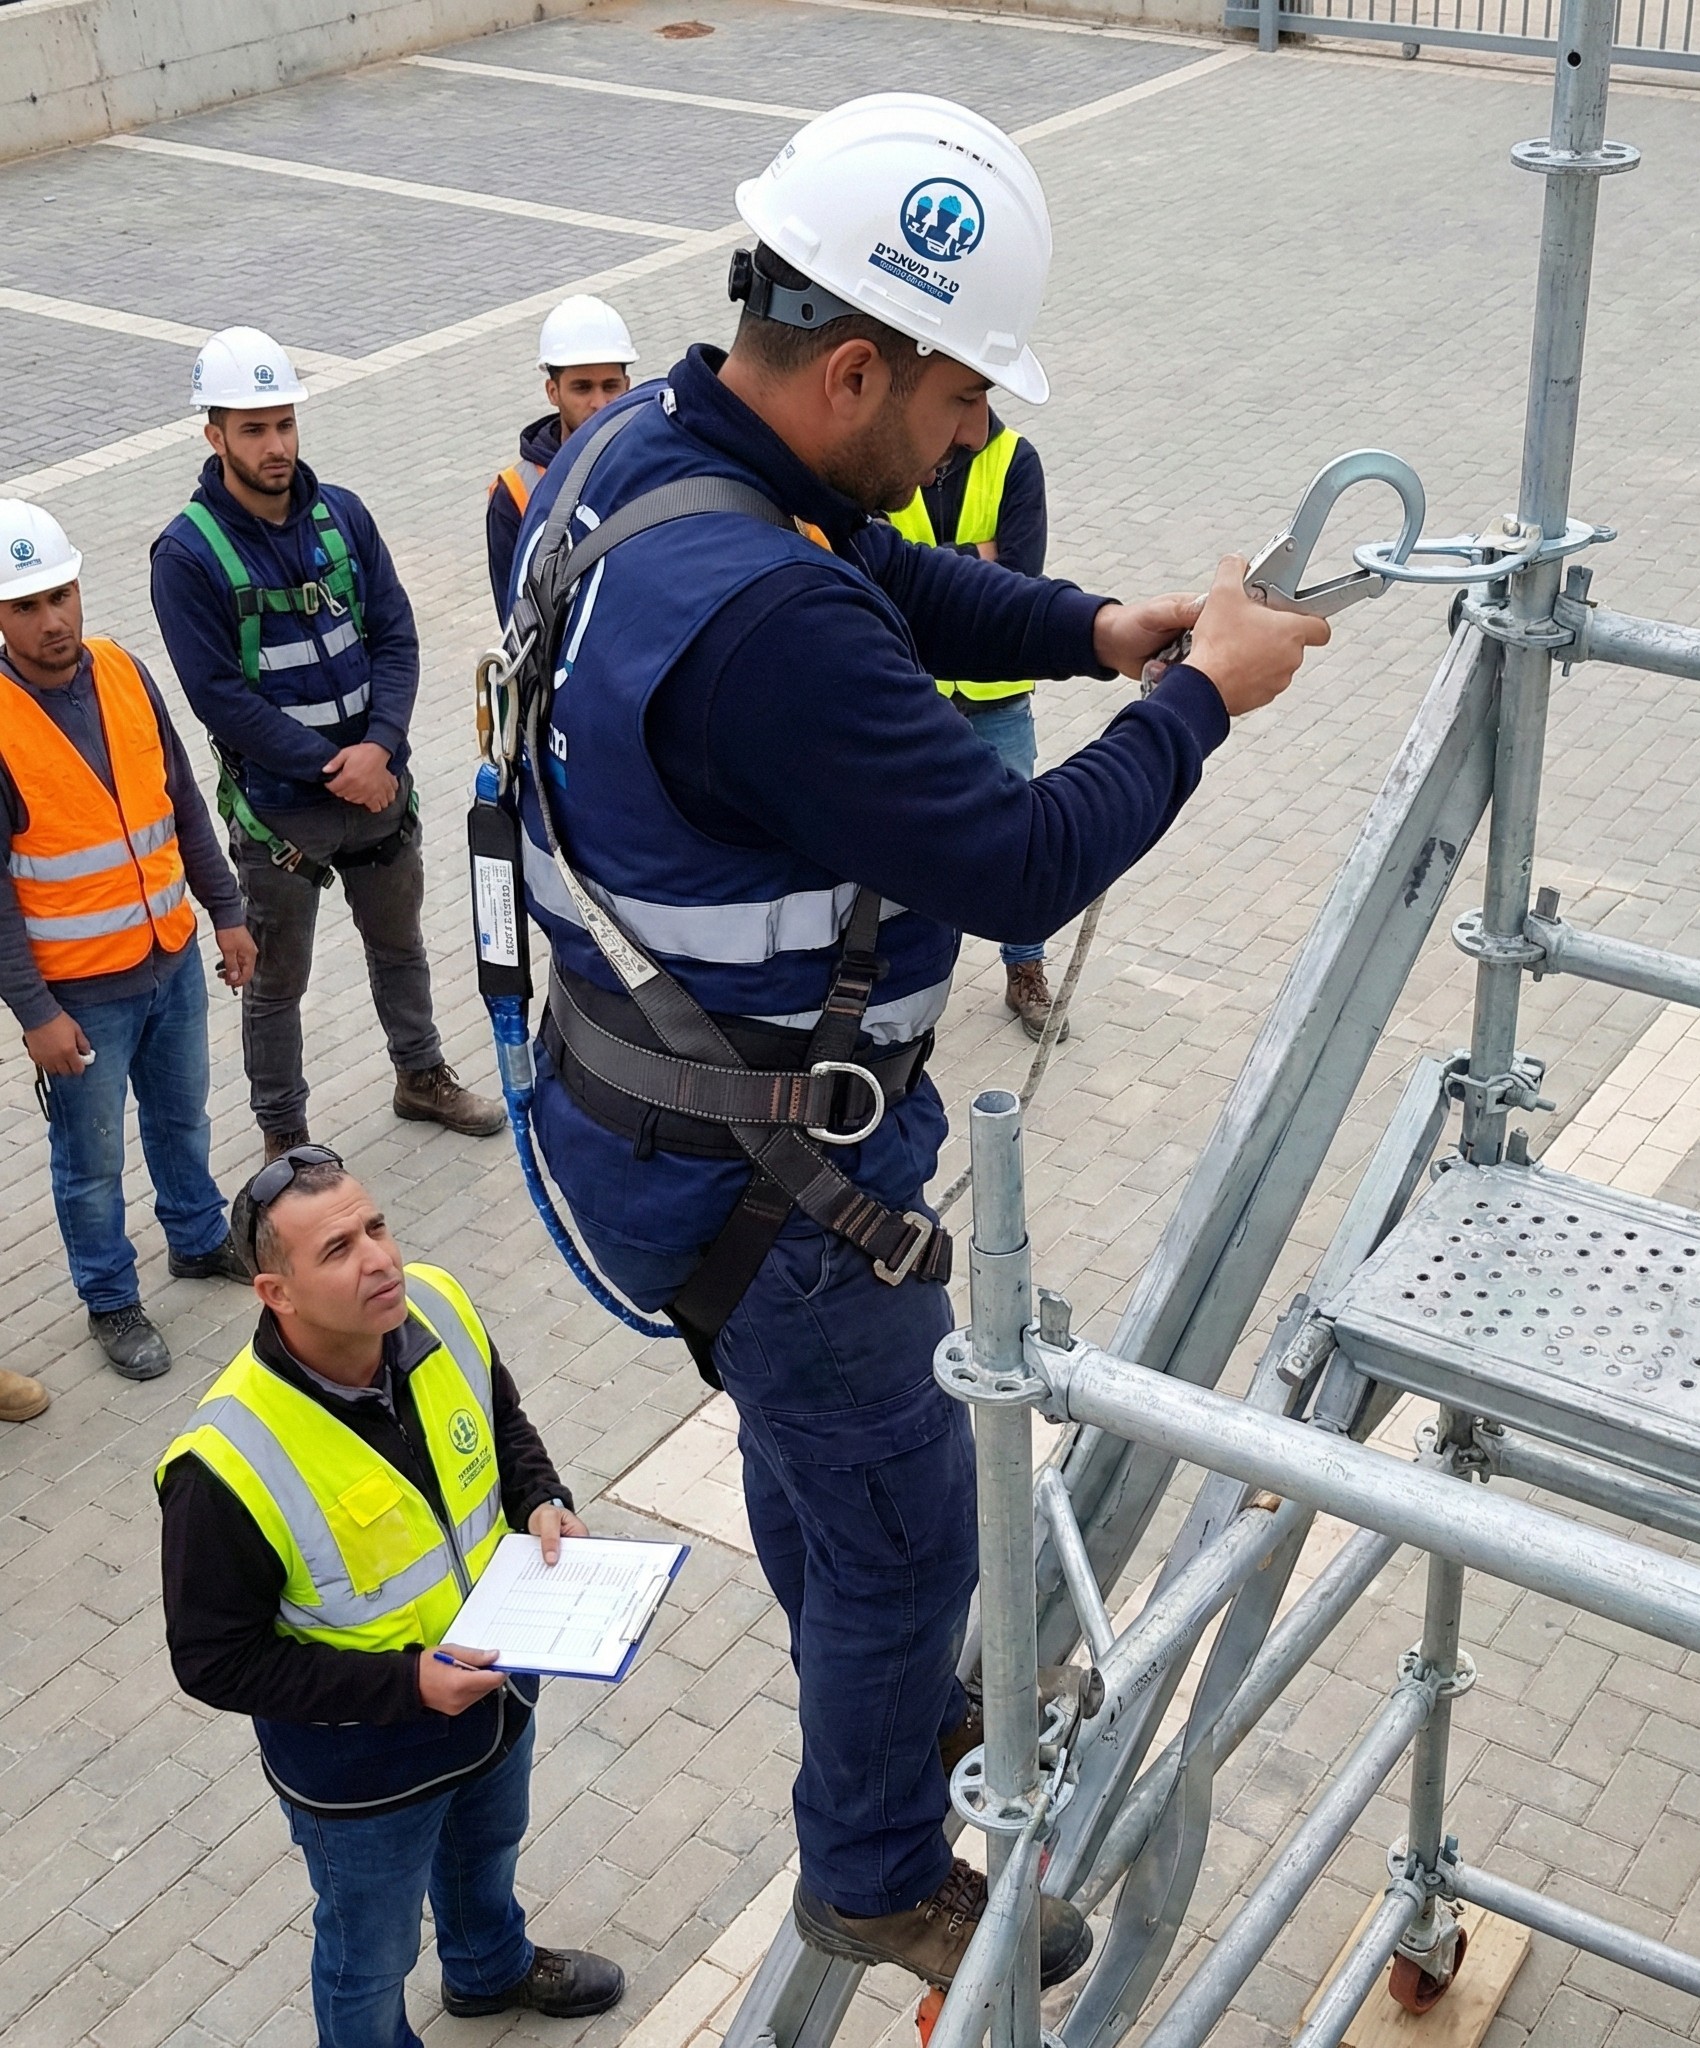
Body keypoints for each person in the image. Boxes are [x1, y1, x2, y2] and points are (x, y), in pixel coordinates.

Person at [503, 95, 1325, 1988]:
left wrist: (1099, 631)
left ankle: (870, 1695)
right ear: (856, 366)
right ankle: (871, 1865)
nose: (969, 440)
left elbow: (880, 572)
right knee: (901, 1538)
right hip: (778, 1177)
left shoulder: (644, 451)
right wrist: (1201, 701)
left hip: (652, 1116)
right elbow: (1019, 858)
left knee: (821, 1468)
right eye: (959, 401)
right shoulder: (767, 620)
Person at [156, 1147, 626, 2048]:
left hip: (495, 1697)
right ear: (275, 1294)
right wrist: (408, 1685)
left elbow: (500, 1421)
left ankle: (488, 1968)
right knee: (369, 1957)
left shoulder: (436, 1304)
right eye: (337, 1250)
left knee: (488, 1853)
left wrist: (541, 1498)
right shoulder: (224, 1463)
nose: (380, 1260)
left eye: (376, 1227)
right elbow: (213, 1661)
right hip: (363, 1771)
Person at [150, 327, 504, 1164]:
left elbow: (397, 636)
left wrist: (381, 747)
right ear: (214, 435)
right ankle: (284, 1136)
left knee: (401, 946)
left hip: (378, 791)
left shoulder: (341, 516)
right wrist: (330, 768)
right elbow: (219, 697)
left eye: (284, 424)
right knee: (277, 984)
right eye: (253, 429)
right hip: (283, 815)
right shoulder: (187, 555)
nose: (275, 445)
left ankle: (420, 1074)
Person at [0, 500, 256, 1382]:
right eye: (25, 606)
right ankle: (110, 1296)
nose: (52, 620)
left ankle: (197, 1236)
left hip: (170, 957)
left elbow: (181, 799)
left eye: (60, 595)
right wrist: (35, 1013)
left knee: (183, 1116)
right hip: (79, 994)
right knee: (91, 1160)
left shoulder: (123, 670)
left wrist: (226, 911)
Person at [890, 411, 1064, 1038]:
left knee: (1020, 842)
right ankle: (913, 975)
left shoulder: (1014, 460)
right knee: (912, 841)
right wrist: (976, 557)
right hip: (919, 690)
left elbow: (1021, 573)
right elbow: (875, 572)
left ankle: (1025, 971)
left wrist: (924, 568)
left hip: (998, 694)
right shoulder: (895, 447)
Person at [486, 295, 639, 614]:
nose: (599, 403)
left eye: (610, 387)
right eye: (582, 388)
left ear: (627, 385)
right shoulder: (516, 492)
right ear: (552, 392)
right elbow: (516, 616)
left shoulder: (652, 465)